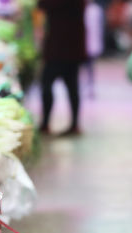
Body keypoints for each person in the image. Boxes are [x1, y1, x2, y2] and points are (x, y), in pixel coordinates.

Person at [38, 0, 87, 136]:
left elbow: (43, 5)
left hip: (61, 46)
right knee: (72, 86)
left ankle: (47, 124)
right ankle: (73, 125)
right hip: (70, 46)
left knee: (49, 84)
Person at [84, 0, 104, 98]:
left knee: (90, 67)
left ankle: (90, 86)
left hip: (92, 45)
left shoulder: (96, 10)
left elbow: (98, 30)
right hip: (82, 44)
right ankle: (85, 85)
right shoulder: (83, 8)